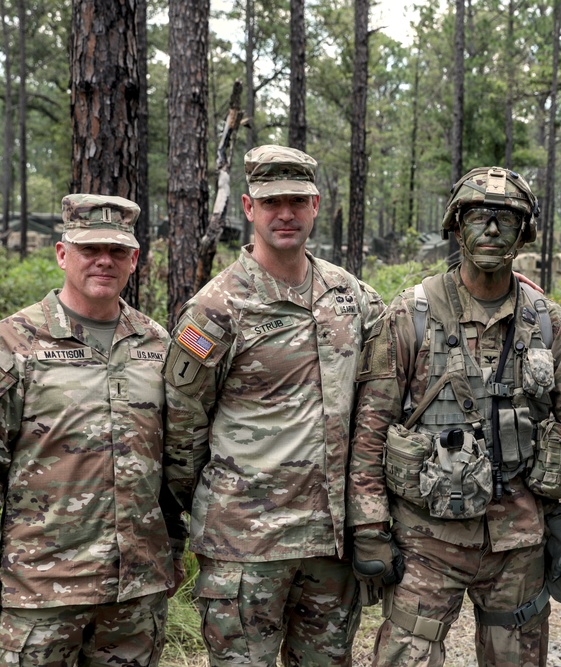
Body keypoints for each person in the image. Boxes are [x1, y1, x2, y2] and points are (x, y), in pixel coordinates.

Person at [347, 166, 561, 667]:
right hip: (427, 538)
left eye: (505, 220)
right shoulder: (411, 314)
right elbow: (371, 428)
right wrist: (368, 526)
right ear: (456, 225)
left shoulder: (548, 322)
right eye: (478, 218)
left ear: (523, 232)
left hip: (518, 539)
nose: (491, 230)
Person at [163, 145, 384, 666]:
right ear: (247, 207)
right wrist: (217, 504)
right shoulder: (215, 309)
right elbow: (180, 426)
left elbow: (402, 351)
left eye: (296, 201)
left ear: (314, 204)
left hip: (329, 546)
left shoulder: (349, 295)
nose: (284, 214)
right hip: (244, 548)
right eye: (271, 203)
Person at [0, 194, 180, 665]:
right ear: (63, 254)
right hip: (39, 589)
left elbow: (179, 455)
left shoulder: (157, 344)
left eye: (117, 251)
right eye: (89, 249)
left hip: (135, 590)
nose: (104, 260)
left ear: (134, 260)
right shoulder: (14, 341)